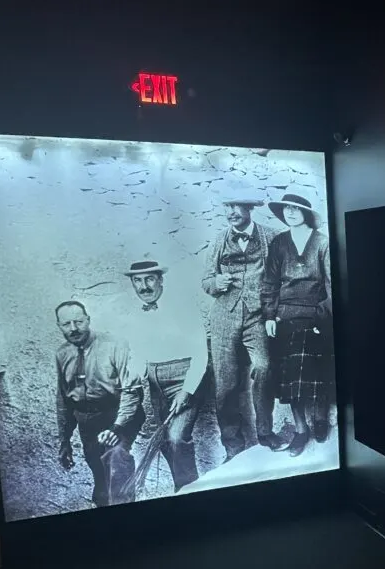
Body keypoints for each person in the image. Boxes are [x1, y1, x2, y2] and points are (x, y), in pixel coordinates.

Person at [202, 189, 284, 459]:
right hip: (224, 317)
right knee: (225, 384)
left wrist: (276, 310)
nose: (230, 213)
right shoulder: (218, 240)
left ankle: (265, 433)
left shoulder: (271, 237)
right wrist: (216, 283)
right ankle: (232, 445)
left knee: (264, 368)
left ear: (249, 209)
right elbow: (206, 281)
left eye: (236, 207)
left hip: (258, 317)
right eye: (227, 207)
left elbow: (282, 275)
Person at [123, 260, 208, 491]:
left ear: (161, 280)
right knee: (165, 441)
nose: (144, 286)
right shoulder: (134, 315)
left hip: (185, 376)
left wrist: (187, 390)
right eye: (137, 281)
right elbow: (138, 354)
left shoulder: (183, 307)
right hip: (155, 382)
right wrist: (132, 376)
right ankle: (182, 487)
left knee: (177, 437)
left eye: (149, 279)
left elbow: (201, 353)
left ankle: (191, 490)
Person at [262, 186, 334, 457]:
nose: (290, 213)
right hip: (285, 316)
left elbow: (332, 284)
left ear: (305, 213)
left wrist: (323, 315)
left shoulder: (322, 242)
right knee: (289, 376)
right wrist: (270, 314)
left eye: (295, 209)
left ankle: (320, 419)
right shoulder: (279, 243)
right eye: (286, 209)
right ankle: (301, 430)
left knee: (319, 368)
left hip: (316, 314)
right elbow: (269, 281)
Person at [54, 301, 145, 507]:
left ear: (88, 320)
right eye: (66, 324)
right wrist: (64, 441)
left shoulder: (114, 344)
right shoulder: (62, 354)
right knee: (100, 479)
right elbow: (63, 400)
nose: (73, 328)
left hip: (118, 414)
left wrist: (116, 427)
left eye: (78, 321)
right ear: (59, 326)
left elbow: (132, 391)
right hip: (88, 423)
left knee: (116, 460)